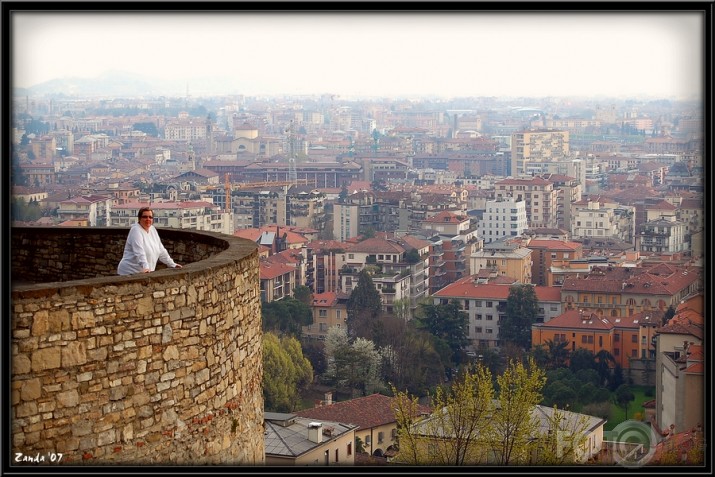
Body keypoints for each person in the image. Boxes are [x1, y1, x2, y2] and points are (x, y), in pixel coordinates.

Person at [117, 207, 183, 275]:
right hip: (130, 272)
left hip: (145, 272)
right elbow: (139, 252)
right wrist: (145, 267)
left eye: (150, 217)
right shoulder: (135, 230)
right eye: (145, 217)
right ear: (139, 218)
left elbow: (161, 250)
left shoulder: (152, 229)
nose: (148, 219)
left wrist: (172, 264)